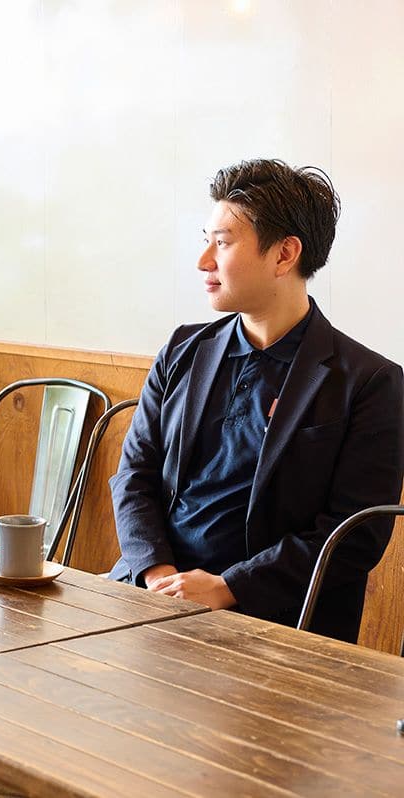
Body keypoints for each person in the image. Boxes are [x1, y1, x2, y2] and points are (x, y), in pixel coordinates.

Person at [109, 158, 404, 642]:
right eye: (206, 240)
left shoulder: (368, 381)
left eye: (222, 243)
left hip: (274, 622)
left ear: (284, 254)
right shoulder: (183, 350)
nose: (204, 261)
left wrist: (227, 588)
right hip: (149, 593)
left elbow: (354, 536)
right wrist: (159, 577)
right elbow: (134, 474)